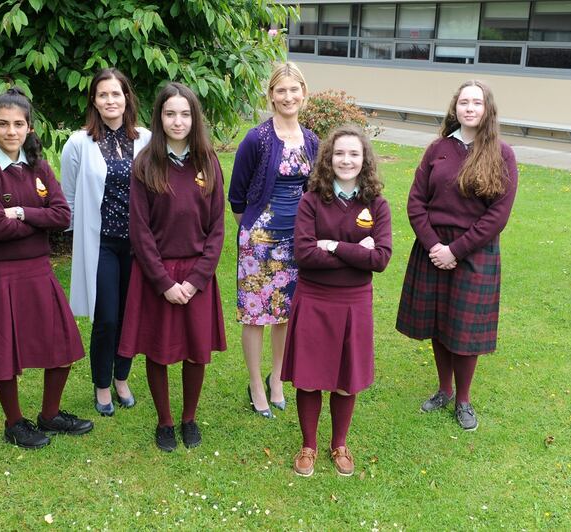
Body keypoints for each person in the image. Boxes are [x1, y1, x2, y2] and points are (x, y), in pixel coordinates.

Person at [0, 88, 93, 449]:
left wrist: (21, 212)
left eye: (18, 124)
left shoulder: (39, 166)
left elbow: (62, 215)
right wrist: (39, 221)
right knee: (4, 354)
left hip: (37, 269)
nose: (10, 131)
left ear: (29, 127)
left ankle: (49, 415)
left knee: (63, 345)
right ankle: (14, 423)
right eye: (2, 124)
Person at [396, 80, 518, 432]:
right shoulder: (438, 149)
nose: (469, 108)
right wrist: (435, 246)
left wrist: (456, 250)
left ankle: (463, 398)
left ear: (486, 109)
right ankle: (444, 390)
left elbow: (498, 215)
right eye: (463, 102)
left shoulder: (502, 154)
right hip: (433, 249)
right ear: (455, 108)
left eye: (476, 103)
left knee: (464, 330)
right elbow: (416, 201)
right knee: (438, 322)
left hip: (474, 252)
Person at [118, 82, 226, 452]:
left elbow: (217, 230)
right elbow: (140, 230)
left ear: (194, 117)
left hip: (197, 275)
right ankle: (165, 421)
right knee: (158, 350)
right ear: (159, 117)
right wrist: (164, 282)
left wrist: (196, 281)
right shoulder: (146, 164)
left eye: (184, 114)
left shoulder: (208, 163)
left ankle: (188, 418)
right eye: (169, 113)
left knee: (196, 351)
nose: (177, 121)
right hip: (157, 275)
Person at [281, 126, 392, 477]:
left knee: (347, 377)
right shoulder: (311, 200)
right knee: (309, 377)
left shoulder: (377, 205)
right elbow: (304, 254)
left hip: (354, 301)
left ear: (364, 160)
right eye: (339, 154)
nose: (346, 160)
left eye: (354, 154)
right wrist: (357, 250)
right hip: (314, 297)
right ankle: (309, 445)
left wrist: (331, 245)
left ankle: (339, 444)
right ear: (328, 159)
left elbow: (381, 259)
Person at [228, 62, 319, 419]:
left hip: (297, 240)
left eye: (294, 89)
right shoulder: (257, 138)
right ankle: (255, 385)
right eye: (280, 90)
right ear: (271, 95)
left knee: (285, 315)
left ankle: (277, 379)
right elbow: (237, 197)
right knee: (255, 315)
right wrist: (254, 232)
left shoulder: (311, 140)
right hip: (259, 244)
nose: (288, 96)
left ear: (304, 93)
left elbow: (315, 190)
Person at [61, 68, 152, 417]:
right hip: (100, 243)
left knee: (131, 316)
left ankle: (122, 378)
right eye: (103, 95)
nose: (110, 100)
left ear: (127, 97)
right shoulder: (79, 143)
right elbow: (69, 197)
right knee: (107, 317)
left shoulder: (145, 138)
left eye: (116, 94)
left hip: (139, 245)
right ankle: (102, 384)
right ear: (94, 102)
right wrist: (75, 241)